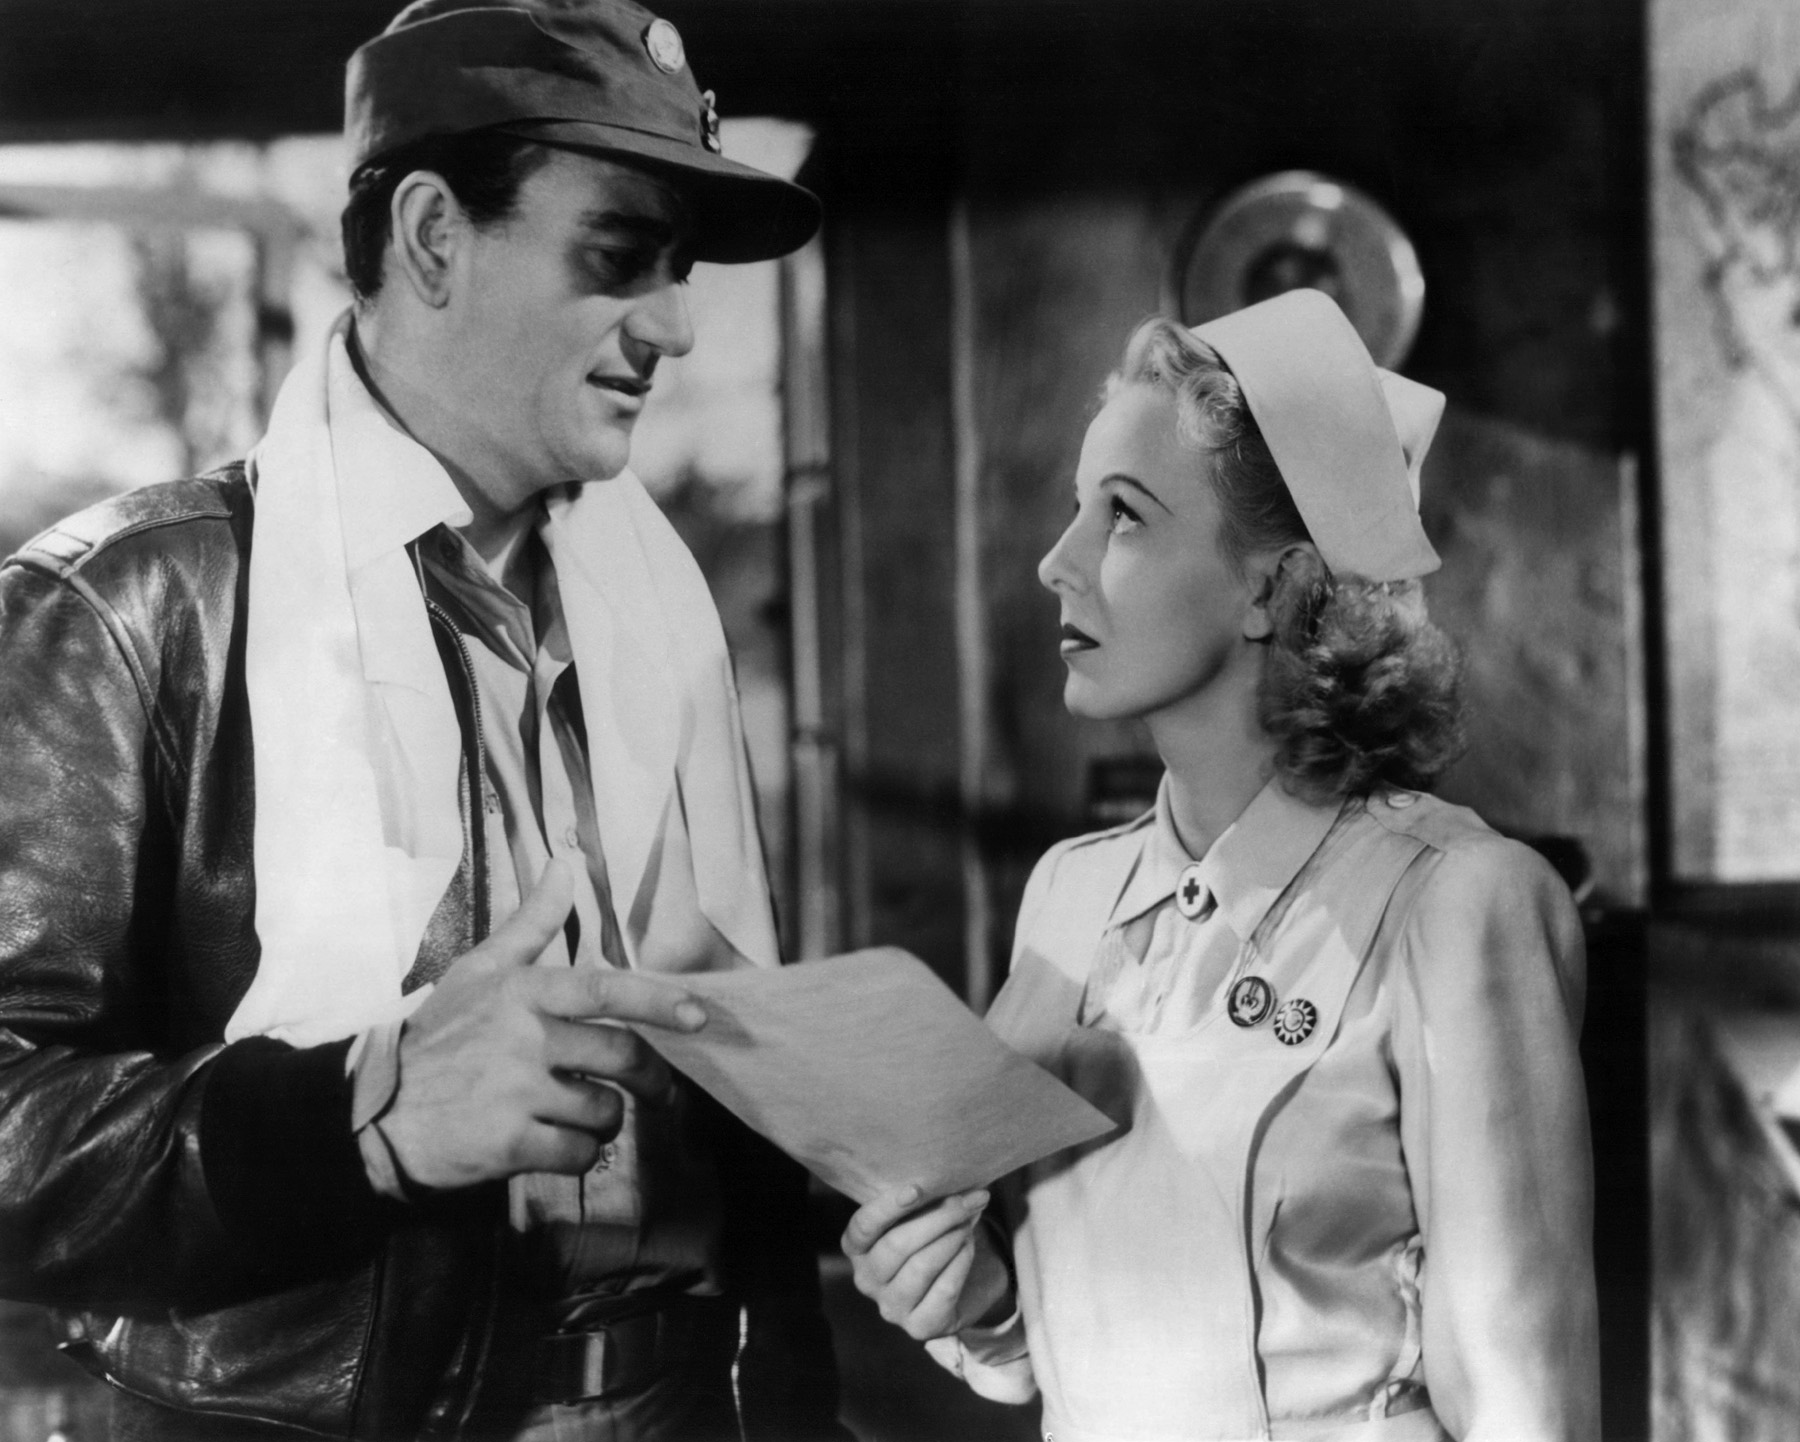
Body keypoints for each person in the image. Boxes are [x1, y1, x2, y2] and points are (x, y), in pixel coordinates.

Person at [0, 2, 848, 1439]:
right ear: (434, 236)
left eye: (681, 272)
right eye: (617, 256)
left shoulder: (659, 603)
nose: (675, 326)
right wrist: (362, 1115)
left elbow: (725, 1078)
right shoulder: (130, 607)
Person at [841, 290, 1599, 1441]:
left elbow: (1525, 1409)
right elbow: (1058, 1347)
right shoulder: (1069, 897)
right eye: (1077, 510)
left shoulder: (1456, 902)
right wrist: (973, 1291)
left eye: (1124, 516)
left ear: (1271, 588)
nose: (1057, 562)